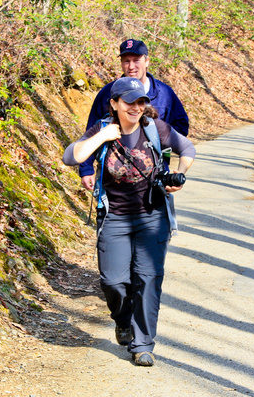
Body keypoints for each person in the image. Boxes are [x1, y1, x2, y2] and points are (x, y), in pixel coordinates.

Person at [63, 76, 196, 366]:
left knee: (148, 280)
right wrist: (103, 136)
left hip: (152, 216)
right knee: (113, 281)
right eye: (129, 102)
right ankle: (123, 320)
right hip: (115, 217)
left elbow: (187, 148)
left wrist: (180, 175)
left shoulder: (154, 128)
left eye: (140, 102)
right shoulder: (102, 128)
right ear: (114, 103)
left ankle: (143, 344)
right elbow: (71, 157)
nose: (136, 107)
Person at [79, 38, 189, 191]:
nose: (131, 66)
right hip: (113, 179)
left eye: (136, 60)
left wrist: (158, 143)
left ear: (147, 61)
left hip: (155, 179)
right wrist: (86, 169)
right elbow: (91, 131)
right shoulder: (108, 93)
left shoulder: (164, 94)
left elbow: (181, 126)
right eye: (126, 61)